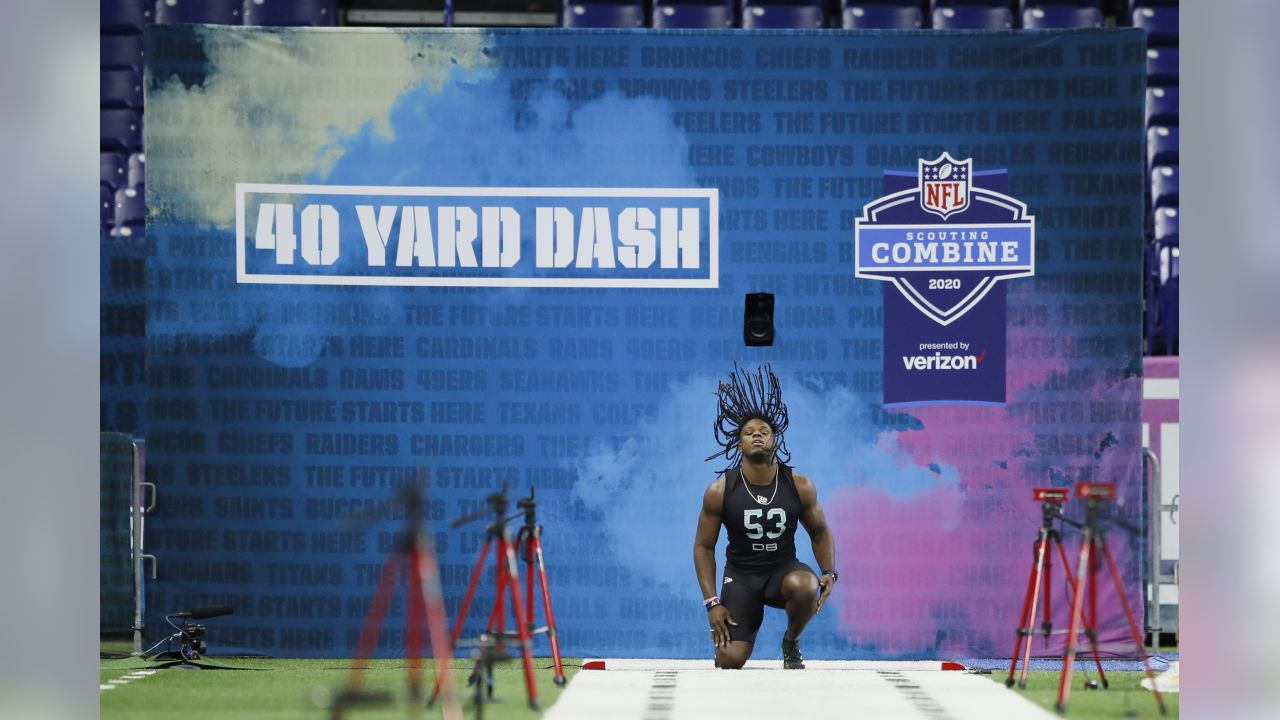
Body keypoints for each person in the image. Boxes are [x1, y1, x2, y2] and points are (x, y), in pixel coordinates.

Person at [693, 364, 837, 669]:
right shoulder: (720, 490)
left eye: (764, 431)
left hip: (781, 572)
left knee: (806, 584)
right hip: (741, 578)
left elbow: (820, 531)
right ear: (739, 442)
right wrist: (712, 603)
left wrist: (829, 571)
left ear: (775, 439)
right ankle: (740, 626)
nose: (757, 435)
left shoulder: (799, 485)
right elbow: (704, 546)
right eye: (749, 432)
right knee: (729, 660)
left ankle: (791, 641)